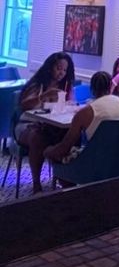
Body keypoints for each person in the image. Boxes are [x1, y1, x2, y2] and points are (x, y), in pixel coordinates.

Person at [15, 51, 75, 193]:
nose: (61, 73)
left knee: (70, 136)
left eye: (65, 70)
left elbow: (70, 104)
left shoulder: (65, 86)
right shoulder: (38, 83)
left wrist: (69, 101)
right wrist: (44, 96)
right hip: (27, 124)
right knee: (38, 138)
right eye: (58, 68)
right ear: (50, 67)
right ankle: (36, 184)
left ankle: (64, 178)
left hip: (52, 125)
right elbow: (24, 106)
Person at [44, 71, 119, 165]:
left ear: (91, 89)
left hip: (93, 161)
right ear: (110, 86)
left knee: (52, 152)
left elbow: (65, 148)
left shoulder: (86, 112)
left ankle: (61, 178)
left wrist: (48, 151)